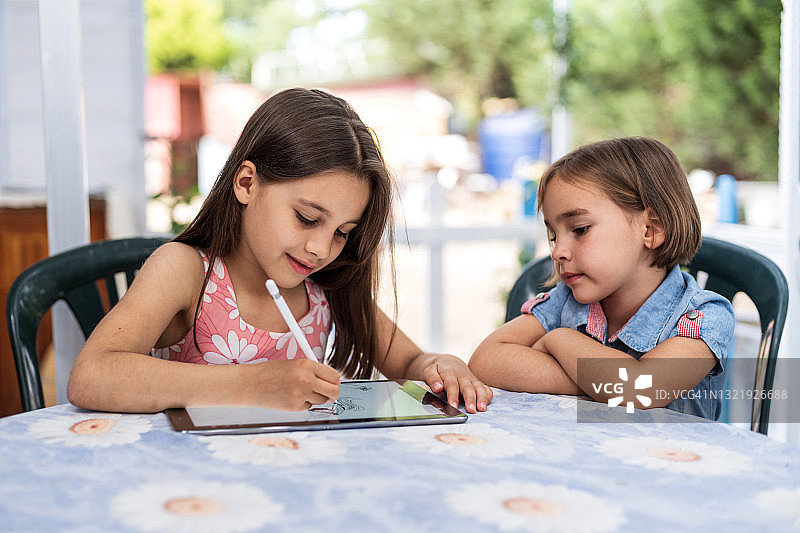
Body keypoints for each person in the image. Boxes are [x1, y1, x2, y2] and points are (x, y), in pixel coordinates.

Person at [68, 88, 492, 414]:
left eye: (343, 231)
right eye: (308, 218)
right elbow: (92, 374)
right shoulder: (186, 272)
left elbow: (411, 359)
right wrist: (252, 385)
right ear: (247, 183)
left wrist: (438, 365)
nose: (321, 248)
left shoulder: (325, 285)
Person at [468, 136, 734, 420]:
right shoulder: (564, 300)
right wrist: (599, 384)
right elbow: (485, 360)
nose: (558, 251)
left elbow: (640, 389)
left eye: (580, 229)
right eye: (553, 234)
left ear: (651, 229)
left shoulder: (703, 316)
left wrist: (559, 340)